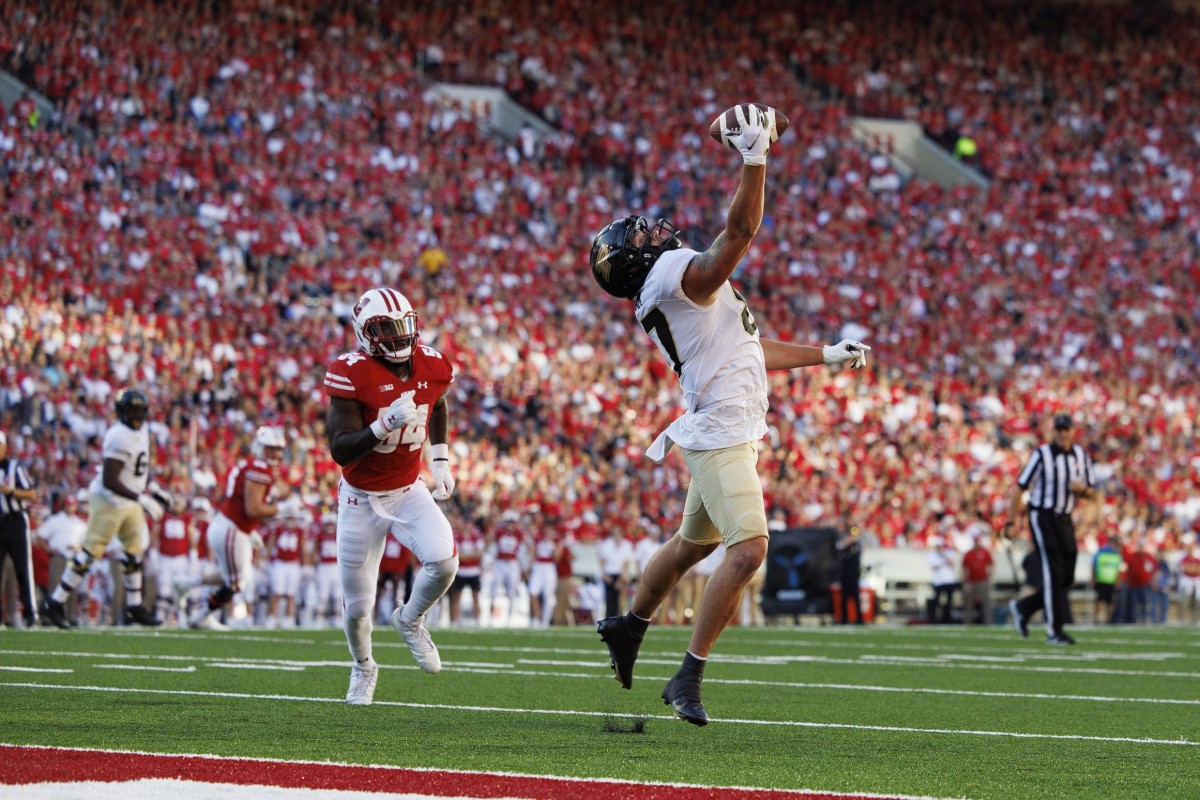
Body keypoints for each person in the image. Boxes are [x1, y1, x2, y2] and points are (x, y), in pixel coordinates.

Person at [590, 105, 871, 726]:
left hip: (721, 422)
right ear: (635, 263)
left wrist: (824, 354)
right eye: (636, 237)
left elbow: (750, 348)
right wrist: (753, 157)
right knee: (748, 552)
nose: (649, 231)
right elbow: (738, 237)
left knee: (691, 545)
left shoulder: (671, 286)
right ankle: (687, 676)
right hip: (718, 429)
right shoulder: (668, 276)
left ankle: (628, 625)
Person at [325, 287, 459, 706]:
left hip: (407, 489)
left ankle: (410, 618)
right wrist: (381, 427)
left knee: (444, 561)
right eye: (387, 329)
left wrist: (440, 459)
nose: (399, 337)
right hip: (360, 497)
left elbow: (436, 404)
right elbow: (340, 449)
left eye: (403, 326)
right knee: (358, 608)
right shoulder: (351, 372)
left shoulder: (433, 363)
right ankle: (364, 666)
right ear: (365, 332)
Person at [42, 390, 166, 629]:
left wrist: (153, 489)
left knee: (134, 552)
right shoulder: (119, 435)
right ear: (122, 412)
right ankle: (55, 602)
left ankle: (134, 606)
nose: (137, 414)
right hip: (109, 499)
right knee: (90, 553)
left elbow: (136, 469)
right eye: (132, 410)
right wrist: (142, 498)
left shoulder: (141, 431)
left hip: (129, 500)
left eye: (140, 410)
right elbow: (110, 479)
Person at [183, 425, 297, 631]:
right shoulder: (259, 468)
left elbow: (244, 506)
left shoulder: (255, 466)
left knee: (235, 578)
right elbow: (253, 508)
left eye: (278, 449)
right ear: (259, 447)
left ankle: (187, 586)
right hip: (231, 529)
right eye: (270, 448)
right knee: (238, 583)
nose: (275, 453)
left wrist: (252, 528)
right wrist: (282, 508)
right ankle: (201, 615)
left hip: (232, 527)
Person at [1005, 413, 1094, 645]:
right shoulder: (1042, 455)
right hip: (1042, 516)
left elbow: (1092, 492)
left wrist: (1081, 490)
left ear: (1072, 431)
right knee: (1053, 573)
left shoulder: (1080, 456)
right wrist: (1010, 521)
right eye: (1059, 430)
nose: (1063, 434)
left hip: (1065, 518)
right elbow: (1019, 488)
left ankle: (1024, 607)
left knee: (1067, 576)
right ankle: (1054, 630)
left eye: (1066, 430)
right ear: (1052, 431)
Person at [0, 430, 40, 628]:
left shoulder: (14, 467)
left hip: (15, 521)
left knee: (23, 569)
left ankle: (30, 614)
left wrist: (12, 492)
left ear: (4, 447)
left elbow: (32, 494)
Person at [35, 491, 88, 624]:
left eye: (72, 505)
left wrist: (78, 548)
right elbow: (40, 536)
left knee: (71, 588)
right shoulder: (55, 520)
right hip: (58, 556)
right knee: (55, 586)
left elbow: (86, 543)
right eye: (68, 505)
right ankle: (51, 617)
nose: (70, 507)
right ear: (64, 506)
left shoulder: (80, 524)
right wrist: (49, 549)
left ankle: (69, 616)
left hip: (74, 557)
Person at [960, 533, 994, 625]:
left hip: (982, 580)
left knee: (985, 603)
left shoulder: (985, 552)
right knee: (969, 604)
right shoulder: (968, 554)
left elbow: (991, 564)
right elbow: (964, 568)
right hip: (971, 581)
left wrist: (989, 576)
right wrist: (965, 581)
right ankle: (968, 622)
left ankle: (988, 622)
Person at [927, 535, 959, 624]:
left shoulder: (949, 552)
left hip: (949, 580)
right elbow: (933, 566)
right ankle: (935, 620)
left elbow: (952, 562)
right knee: (937, 601)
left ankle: (947, 620)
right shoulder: (932, 554)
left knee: (949, 602)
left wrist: (943, 556)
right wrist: (944, 562)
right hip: (938, 581)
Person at [834, 528, 864, 625]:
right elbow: (838, 556)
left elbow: (853, 558)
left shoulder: (856, 546)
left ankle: (859, 619)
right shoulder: (844, 547)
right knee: (844, 599)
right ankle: (844, 618)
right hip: (844, 576)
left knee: (855, 599)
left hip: (853, 576)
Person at [1092, 536, 1121, 623]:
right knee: (1099, 600)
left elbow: (1118, 569)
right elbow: (1094, 565)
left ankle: (1108, 619)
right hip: (1101, 580)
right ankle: (1096, 619)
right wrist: (1093, 577)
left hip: (1111, 581)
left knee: (1110, 602)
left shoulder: (1116, 553)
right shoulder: (1101, 552)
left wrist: (1117, 580)